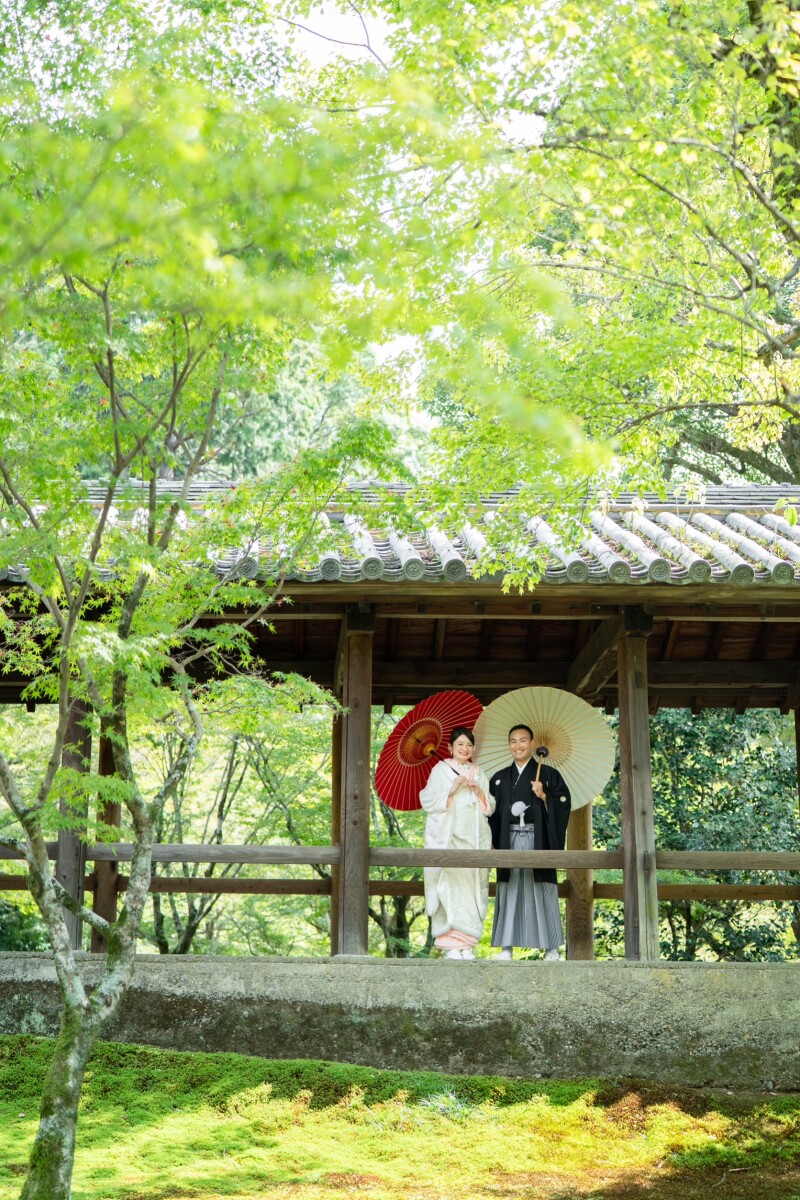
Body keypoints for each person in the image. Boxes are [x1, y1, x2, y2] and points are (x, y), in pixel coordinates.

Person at [488, 724, 572, 961]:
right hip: (508, 839)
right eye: (513, 741)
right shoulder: (499, 778)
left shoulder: (549, 775)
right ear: (509, 745)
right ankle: (506, 946)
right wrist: (493, 841)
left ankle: (552, 948)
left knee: (542, 887)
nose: (518, 745)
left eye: (523, 740)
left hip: (539, 838)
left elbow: (563, 802)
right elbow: (491, 812)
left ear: (533, 744)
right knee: (510, 887)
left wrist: (545, 796)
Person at [419, 726, 495, 960]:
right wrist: (451, 790)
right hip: (449, 838)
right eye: (460, 744)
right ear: (450, 748)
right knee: (449, 888)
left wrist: (479, 791)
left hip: (473, 837)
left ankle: (467, 945)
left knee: (471, 889)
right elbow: (427, 799)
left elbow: (490, 805)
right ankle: (451, 946)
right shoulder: (440, 770)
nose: (465, 749)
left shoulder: (477, 771)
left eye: (469, 745)